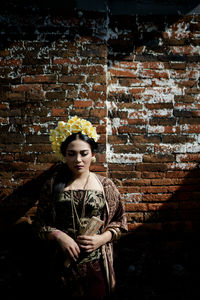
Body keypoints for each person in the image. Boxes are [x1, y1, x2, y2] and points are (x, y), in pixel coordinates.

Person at [33, 116, 127, 300]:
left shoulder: (106, 186)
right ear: (64, 155)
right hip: (61, 266)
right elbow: (39, 223)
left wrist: (101, 239)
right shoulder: (53, 186)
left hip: (97, 266)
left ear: (93, 154)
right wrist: (59, 236)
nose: (78, 160)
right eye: (71, 154)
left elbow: (121, 222)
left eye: (84, 153)